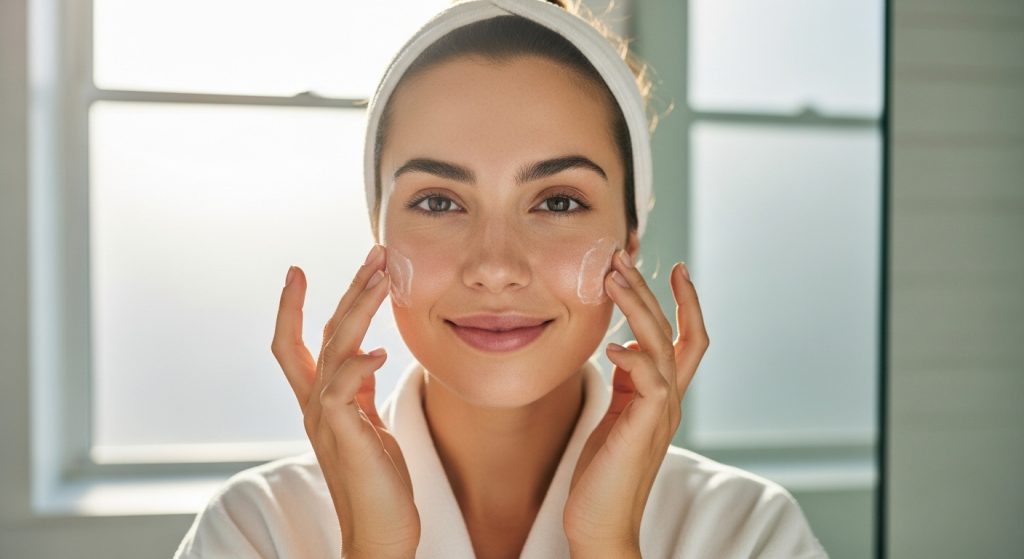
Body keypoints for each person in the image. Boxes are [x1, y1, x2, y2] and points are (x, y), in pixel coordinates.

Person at [173, 1, 829, 557]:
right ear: (380, 237)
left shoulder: (745, 532)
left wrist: (607, 544)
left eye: (558, 201)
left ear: (630, 238)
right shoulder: (258, 528)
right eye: (438, 202)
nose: (494, 267)